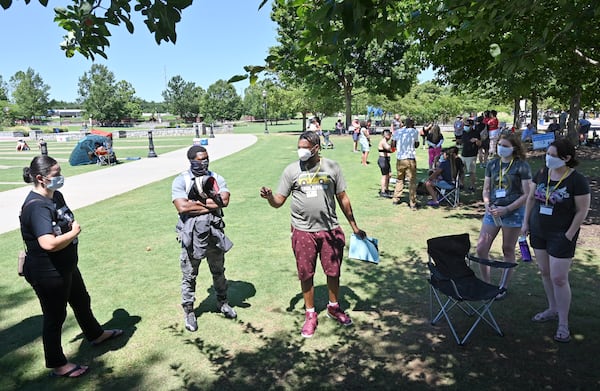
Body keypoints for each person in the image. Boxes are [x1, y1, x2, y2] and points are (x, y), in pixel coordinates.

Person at [19, 155, 123, 378]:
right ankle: (58, 364)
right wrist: (74, 232)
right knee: (55, 317)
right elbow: (47, 243)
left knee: (81, 300)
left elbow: (62, 221)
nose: (60, 178)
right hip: (48, 272)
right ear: (40, 178)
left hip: (65, 265)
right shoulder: (36, 206)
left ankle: (95, 334)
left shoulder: (55, 195)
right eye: (56, 175)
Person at [259, 131, 366, 338]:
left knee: (333, 272)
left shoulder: (332, 167)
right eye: (299, 146)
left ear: (316, 148)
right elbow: (278, 202)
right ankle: (310, 314)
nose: (301, 151)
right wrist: (270, 197)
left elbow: (343, 197)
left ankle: (334, 307)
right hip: (302, 231)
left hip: (330, 229)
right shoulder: (291, 170)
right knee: (306, 273)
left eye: (305, 147)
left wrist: (354, 226)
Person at [522, 139, 590, 343]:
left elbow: (582, 210)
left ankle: (563, 323)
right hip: (538, 231)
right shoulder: (543, 173)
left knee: (559, 278)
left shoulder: (577, 180)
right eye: (548, 153)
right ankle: (552, 308)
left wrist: (569, 234)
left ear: (567, 158)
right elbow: (531, 198)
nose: (548, 157)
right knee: (545, 272)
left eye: (552, 155)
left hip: (561, 235)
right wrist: (525, 223)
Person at [172, 146, 237, 332]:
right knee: (189, 275)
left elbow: (224, 201)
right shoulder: (181, 180)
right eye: (201, 159)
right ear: (191, 160)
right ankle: (189, 311)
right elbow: (182, 207)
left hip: (214, 233)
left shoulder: (216, 177)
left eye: (207, 158)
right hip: (191, 236)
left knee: (219, 271)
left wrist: (197, 204)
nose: (205, 162)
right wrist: (211, 205)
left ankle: (222, 302)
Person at [476, 133, 532, 299]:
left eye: (505, 145)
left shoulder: (521, 166)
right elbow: (486, 189)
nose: (501, 148)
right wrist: (487, 205)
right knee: (481, 248)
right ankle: (486, 284)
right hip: (492, 211)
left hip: (512, 213)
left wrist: (507, 209)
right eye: (500, 144)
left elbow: (526, 194)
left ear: (514, 148)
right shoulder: (492, 164)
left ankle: (502, 287)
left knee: (507, 249)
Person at [390, 118, 420, 210]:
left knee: (400, 179)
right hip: (410, 158)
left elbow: (393, 143)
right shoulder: (414, 132)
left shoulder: (398, 132)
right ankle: (412, 202)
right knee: (412, 181)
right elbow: (416, 144)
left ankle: (396, 198)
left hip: (400, 158)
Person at [461, 118, 480, 192]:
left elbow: (479, 143)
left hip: (472, 155)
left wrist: (476, 140)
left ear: (472, 126)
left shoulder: (476, 133)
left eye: (468, 125)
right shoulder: (464, 132)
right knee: (462, 170)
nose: (466, 126)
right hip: (463, 154)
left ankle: (472, 186)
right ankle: (462, 184)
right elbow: (463, 141)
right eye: (465, 125)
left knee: (471, 171)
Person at [377, 129, 393, 197]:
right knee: (384, 176)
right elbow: (389, 149)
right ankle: (383, 191)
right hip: (383, 160)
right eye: (389, 134)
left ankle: (386, 189)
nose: (390, 136)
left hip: (386, 159)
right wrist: (394, 144)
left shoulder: (386, 141)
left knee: (389, 174)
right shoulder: (383, 142)